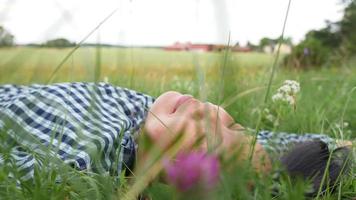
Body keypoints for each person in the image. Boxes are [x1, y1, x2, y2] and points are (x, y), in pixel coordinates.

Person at [0, 82, 352, 195]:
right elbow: (276, 144)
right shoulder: (151, 114)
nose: (212, 111)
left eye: (207, 140)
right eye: (235, 125)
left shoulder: (90, 154)